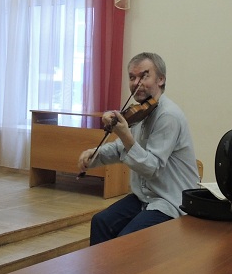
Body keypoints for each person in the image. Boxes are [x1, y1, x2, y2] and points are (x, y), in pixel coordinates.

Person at [77, 52, 198, 245]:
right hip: (145, 197)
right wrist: (95, 155)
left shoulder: (168, 116)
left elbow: (152, 167)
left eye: (144, 76)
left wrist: (125, 135)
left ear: (161, 79)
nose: (136, 83)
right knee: (101, 222)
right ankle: (102, 267)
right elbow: (120, 148)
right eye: (132, 78)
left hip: (171, 201)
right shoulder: (140, 111)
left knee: (127, 240)